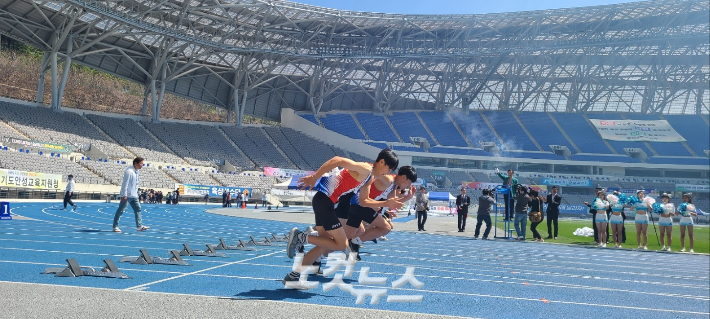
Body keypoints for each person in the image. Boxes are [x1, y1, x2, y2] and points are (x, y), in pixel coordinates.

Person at [282, 149, 400, 289]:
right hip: (324, 201)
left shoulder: (369, 178)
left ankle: (293, 277)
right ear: (382, 162)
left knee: (323, 245)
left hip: (326, 203)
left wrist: (386, 203)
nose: (388, 172)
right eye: (389, 168)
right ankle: (300, 237)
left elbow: (364, 201)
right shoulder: (366, 169)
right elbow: (337, 160)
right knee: (342, 244)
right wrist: (314, 177)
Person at [346, 166, 417, 258]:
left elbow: (391, 203)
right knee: (386, 228)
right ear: (403, 177)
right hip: (358, 203)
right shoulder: (388, 179)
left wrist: (408, 197)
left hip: (361, 205)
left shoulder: (394, 187)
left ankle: (348, 246)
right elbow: (373, 171)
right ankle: (353, 243)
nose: (408, 186)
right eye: (409, 183)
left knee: (357, 232)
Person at [112, 157, 150, 233]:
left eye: (142, 163)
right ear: (135, 163)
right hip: (127, 195)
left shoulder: (137, 172)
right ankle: (115, 226)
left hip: (134, 195)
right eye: (141, 163)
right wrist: (124, 195)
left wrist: (136, 194)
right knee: (120, 210)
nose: (142, 165)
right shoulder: (129, 171)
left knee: (138, 209)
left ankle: (139, 226)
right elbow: (125, 184)